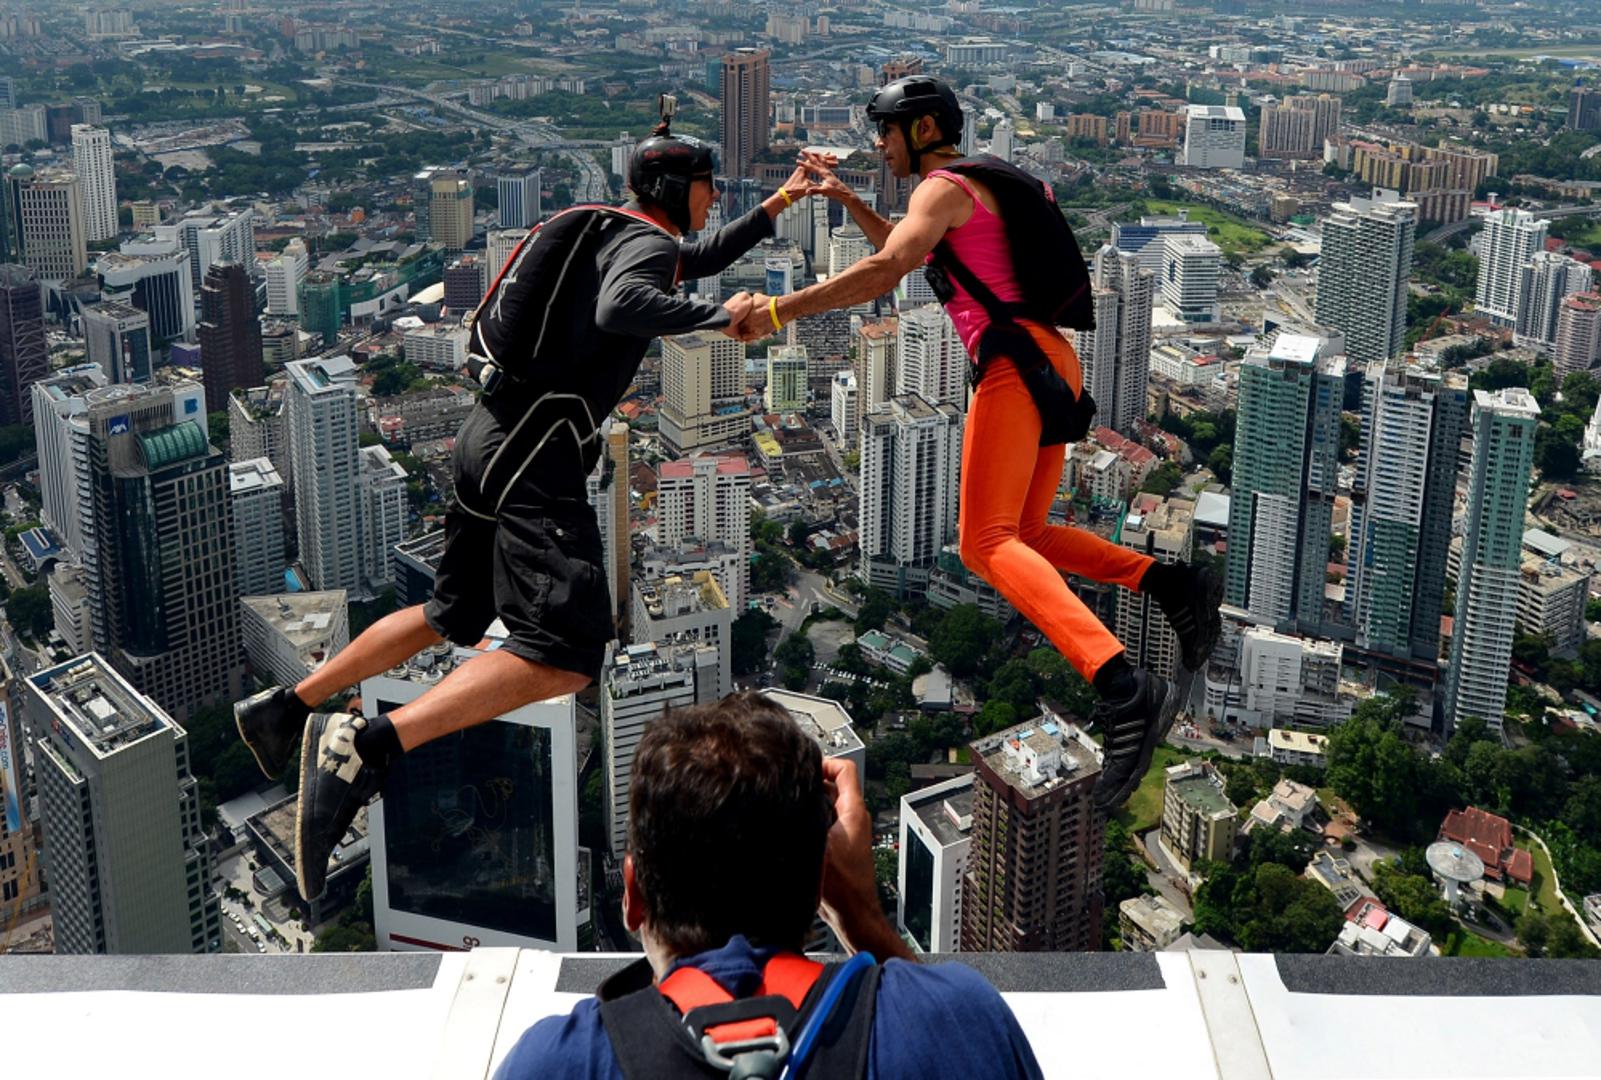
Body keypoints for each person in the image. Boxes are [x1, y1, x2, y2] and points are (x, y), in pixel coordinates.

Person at [232, 117, 831, 903]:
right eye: (706, 185)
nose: (715, 197)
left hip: (490, 436)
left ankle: (287, 704)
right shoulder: (642, 248)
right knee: (565, 651)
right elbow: (625, 309)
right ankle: (367, 745)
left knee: (454, 611)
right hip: (538, 453)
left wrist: (786, 196)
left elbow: (699, 257)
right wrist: (721, 319)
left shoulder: (608, 229)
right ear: (671, 190)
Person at [735, 76, 1222, 811]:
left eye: (886, 130)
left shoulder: (942, 189)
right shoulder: (979, 187)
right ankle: (1170, 583)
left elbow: (886, 269)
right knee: (1025, 535)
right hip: (1051, 361)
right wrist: (850, 204)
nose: (878, 144)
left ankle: (1123, 687)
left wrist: (776, 311)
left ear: (924, 126)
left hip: (1011, 367)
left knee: (982, 544)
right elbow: (923, 260)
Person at [495, 692, 1044, 1080]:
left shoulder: (558, 1062)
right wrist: (864, 920)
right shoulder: (956, 1023)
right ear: (817, 884)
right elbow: (932, 1023)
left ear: (633, 893)